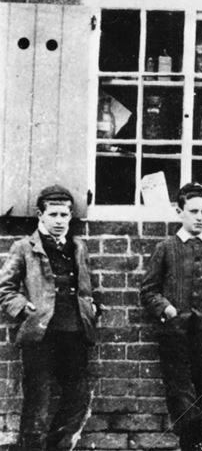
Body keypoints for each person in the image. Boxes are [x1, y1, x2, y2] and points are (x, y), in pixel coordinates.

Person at [140, 182, 202, 451]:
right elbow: (149, 289)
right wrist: (168, 310)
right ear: (179, 211)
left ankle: (192, 442)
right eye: (193, 210)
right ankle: (192, 444)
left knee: (200, 390)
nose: (199, 217)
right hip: (172, 332)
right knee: (179, 390)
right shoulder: (166, 247)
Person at [0, 184, 100, 451]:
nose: (59, 221)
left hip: (76, 333)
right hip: (41, 335)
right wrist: (23, 308)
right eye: (53, 215)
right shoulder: (24, 247)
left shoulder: (78, 247)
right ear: (39, 214)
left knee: (77, 400)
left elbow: (87, 287)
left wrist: (91, 309)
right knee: (38, 403)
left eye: (64, 215)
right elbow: (4, 288)